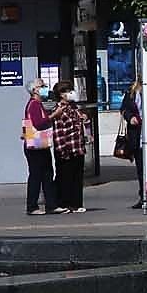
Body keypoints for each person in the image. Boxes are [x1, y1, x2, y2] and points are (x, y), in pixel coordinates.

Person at [50, 84, 92, 214]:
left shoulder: (74, 108)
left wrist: (86, 120)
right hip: (66, 149)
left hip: (77, 147)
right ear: (61, 94)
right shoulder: (58, 109)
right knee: (65, 177)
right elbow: (59, 131)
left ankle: (76, 203)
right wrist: (62, 149)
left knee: (77, 177)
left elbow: (82, 124)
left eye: (70, 90)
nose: (70, 93)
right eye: (67, 91)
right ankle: (63, 203)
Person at [22, 79, 57, 216]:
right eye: (42, 86)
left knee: (48, 173)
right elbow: (38, 123)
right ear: (35, 90)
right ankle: (32, 206)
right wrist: (53, 115)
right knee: (36, 175)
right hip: (35, 146)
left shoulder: (38, 104)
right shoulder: (34, 104)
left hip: (40, 145)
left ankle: (51, 204)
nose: (45, 88)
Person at [120, 79, 145, 207]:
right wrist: (130, 118)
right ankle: (143, 197)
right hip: (137, 136)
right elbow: (123, 109)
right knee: (141, 169)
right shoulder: (132, 92)